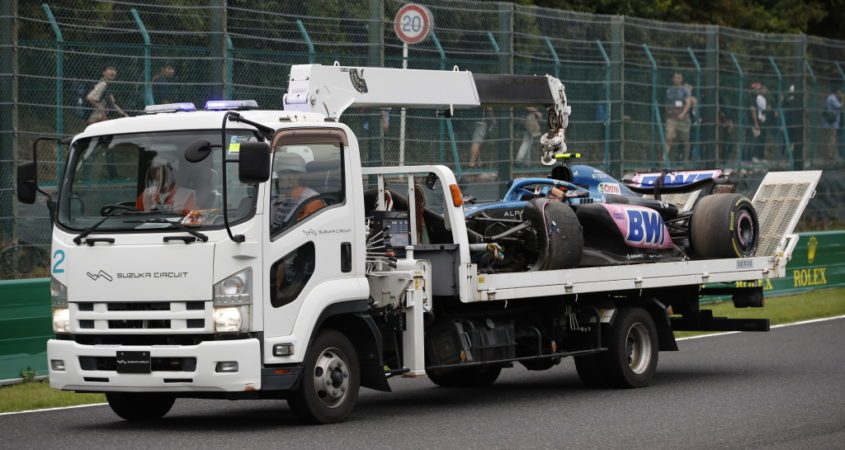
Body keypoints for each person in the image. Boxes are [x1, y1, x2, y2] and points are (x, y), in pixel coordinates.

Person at [271, 152, 325, 233]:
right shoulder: (281, 198)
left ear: (296, 176)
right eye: (279, 174)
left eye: (282, 173)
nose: (278, 178)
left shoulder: (311, 200)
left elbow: (304, 233)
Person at [664, 73, 692, 163]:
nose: (677, 79)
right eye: (675, 77)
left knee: (685, 140)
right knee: (668, 138)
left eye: (679, 77)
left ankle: (686, 159)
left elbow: (688, 103)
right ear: (673, 79)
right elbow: (667, 104)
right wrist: (667, 116)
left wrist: (683, 114)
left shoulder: (685, 90)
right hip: (672, 118)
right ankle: (664, 159)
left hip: (683, 119)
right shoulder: (669, 90)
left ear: (681, 79)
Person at [821, 86, 844, 164]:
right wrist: (843, 99)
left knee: (831, 140)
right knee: (831, 140)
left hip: (830, 123)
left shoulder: (830, 97)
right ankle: (830, 157)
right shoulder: (832, 98)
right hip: (831, 124)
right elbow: (840, 106)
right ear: (837, 92)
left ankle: (831, 156)